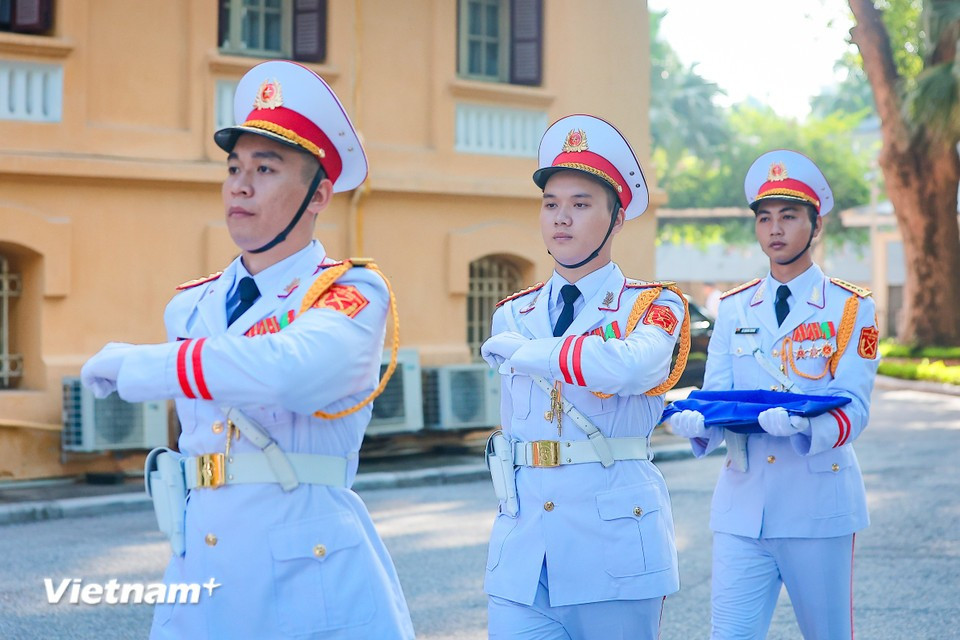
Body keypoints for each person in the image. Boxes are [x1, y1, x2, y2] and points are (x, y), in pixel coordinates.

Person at [80, 61, 415, 639]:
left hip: (306, 570)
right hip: (200, 565)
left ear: (318, 194)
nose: (240, 184)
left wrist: (142, 365)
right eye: (234, 167)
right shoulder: (191, 305)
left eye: (265, 168)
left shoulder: (351, 292)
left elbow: (291, 373)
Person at [479, 114, 690, 640]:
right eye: (551, 204)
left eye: (580, 204)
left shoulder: (653, 305)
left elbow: (630, 367)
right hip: (525, 549)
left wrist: (532, 353)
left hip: (613, 545)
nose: (561, 219)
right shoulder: (513, 313)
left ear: (617, 218)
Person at [666, 149, 880, 639]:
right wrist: (697, 423)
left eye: (788, 216)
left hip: (818, 505)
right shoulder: (736, 307)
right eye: (764, 218)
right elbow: (719, 397)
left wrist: (806, 426)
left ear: (815, 225)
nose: (775, 229)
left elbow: (855, 405)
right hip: (743, 507)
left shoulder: (850, 307)